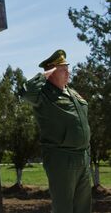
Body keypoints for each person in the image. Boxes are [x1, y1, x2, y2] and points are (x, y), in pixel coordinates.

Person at [19, 50, 91, 213]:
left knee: (83, 206)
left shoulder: (72, 93)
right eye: (63, 69)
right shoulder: (44, 95)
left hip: (83, 156)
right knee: (63, 206)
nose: (68, 72)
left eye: (68, 68)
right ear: (51, 72)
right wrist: (45, 74)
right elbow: (25, 92)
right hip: (61, 157)